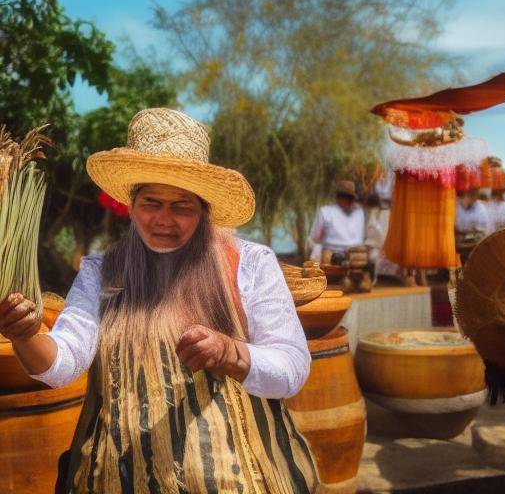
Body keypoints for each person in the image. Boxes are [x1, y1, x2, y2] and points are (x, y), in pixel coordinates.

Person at [0, 109, 318, 493]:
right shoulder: (102, 272)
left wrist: (230, 353)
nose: (164, 219)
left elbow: (292, 367)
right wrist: (26, 334)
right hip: (119, 478)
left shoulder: (248, 264)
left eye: (182, 205)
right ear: (131, 206)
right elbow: (62, 364)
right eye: (152, 202)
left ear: (204, 210)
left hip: (240, 479)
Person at [309, 180, 365, 265]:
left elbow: (314, 237)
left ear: (338, 197)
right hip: (356, 256)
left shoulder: (325, 212)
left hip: (331, 254)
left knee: (317, 250)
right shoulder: (360, 213)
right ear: (352, 198)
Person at [455, 188, 489, 264]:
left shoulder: (480, 207)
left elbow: (481, 226)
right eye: (470, 194)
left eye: (475, 194)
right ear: (464, 194)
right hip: (458, 244)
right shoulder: (455, 205)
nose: (474, 197)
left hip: (474, 244)